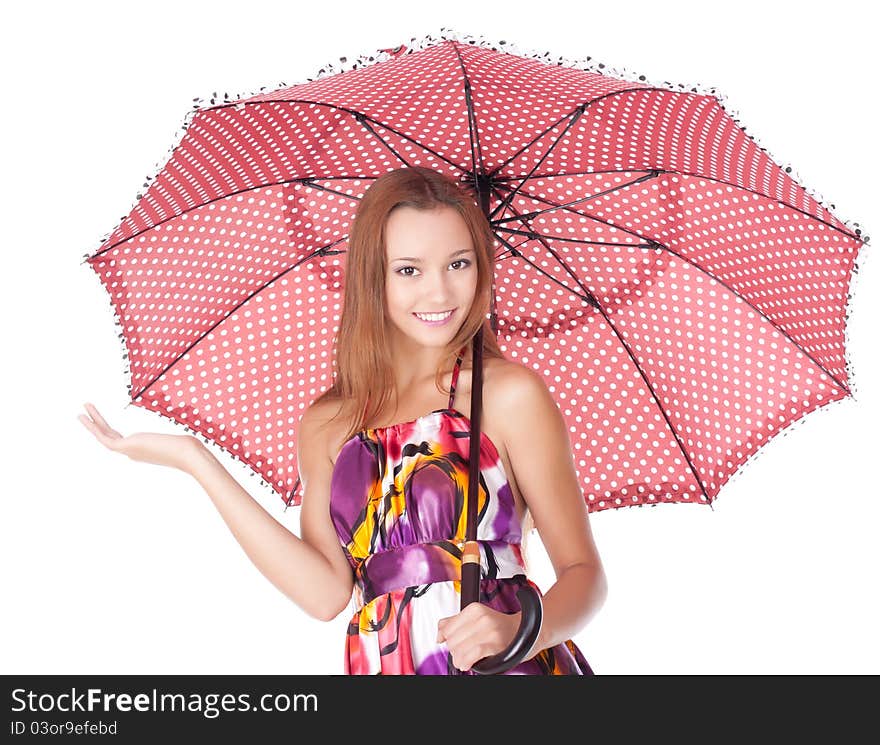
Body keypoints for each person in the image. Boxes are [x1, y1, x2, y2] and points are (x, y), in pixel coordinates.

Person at [78, 166, 608, 675]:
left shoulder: (508, 395)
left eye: (458, 263)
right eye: (409, 270)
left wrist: (519, 630)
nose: (439, 293)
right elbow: (325, 593)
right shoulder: (330, 423)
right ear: (371, 277)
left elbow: (586, 578)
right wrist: (196, 462)